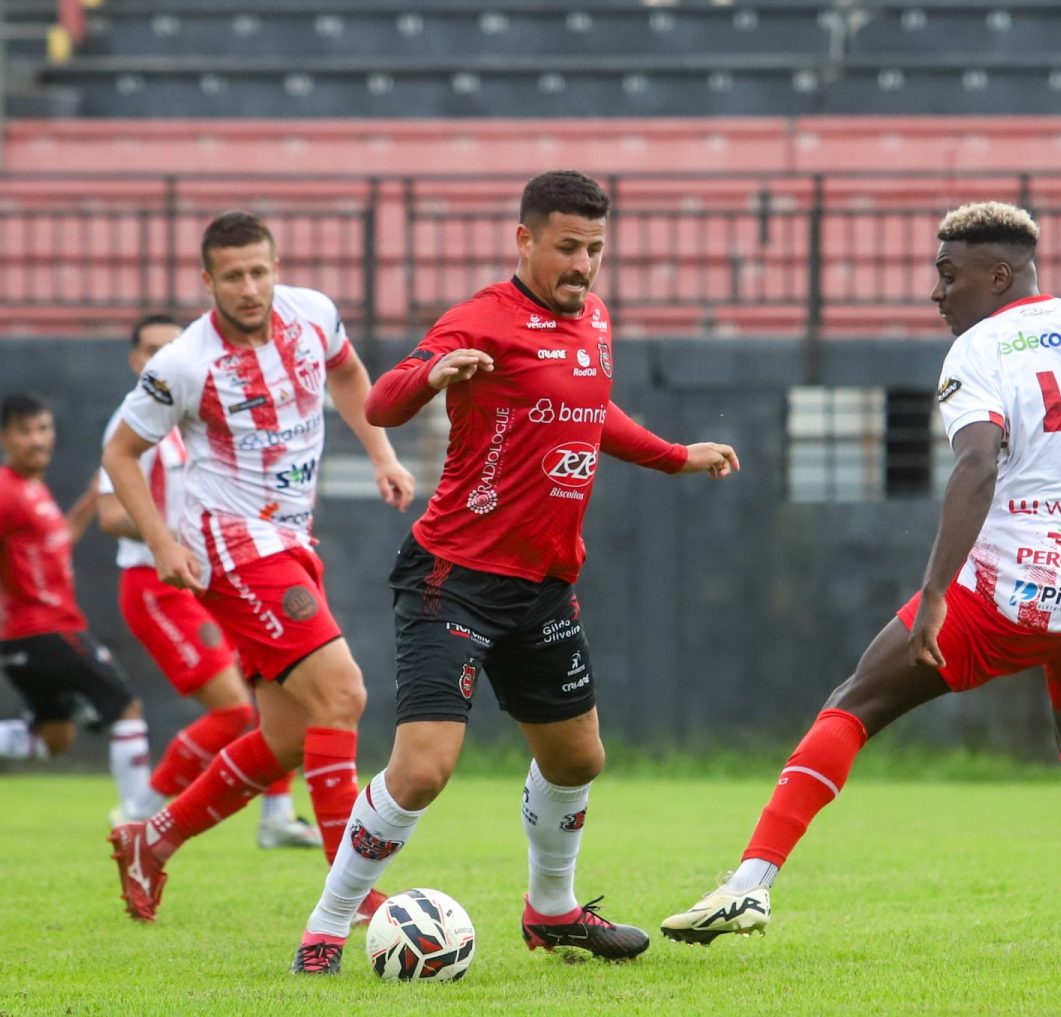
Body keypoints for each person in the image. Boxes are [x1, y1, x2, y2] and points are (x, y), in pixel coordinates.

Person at [660, 202, 1061, 963]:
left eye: (948, 274)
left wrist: (933, 596)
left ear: (1000, 275)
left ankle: (751, 882)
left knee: (852, 703)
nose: (937, 292)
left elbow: (977, 461)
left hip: (1003, 596)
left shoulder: (981, 348)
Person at [287, 170, 740, 975]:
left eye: (596, 249)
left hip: (542, 586)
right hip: (452, 574)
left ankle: (553, 911)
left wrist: (673, 457)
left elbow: (588, 410)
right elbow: (384, 401)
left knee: (577, 759)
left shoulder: (595, 318)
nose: (585, 265)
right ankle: (324, 929)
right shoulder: (481, 320)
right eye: (569, 247)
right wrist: (433, 375)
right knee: (423, 768)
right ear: (524, 240)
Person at [101, 211, 417, 923]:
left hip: (290, 540)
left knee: (287, 736)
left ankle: (152, 839)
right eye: (234, 275)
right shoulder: (183, 362)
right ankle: (353, 890)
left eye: (260, 270)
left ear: (277, 266)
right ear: (207, 280)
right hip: (230, 544)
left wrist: (382, 453)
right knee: (343, 695)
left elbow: (349, 373)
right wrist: (160, 541)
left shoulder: (313, 316)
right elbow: (119, 452)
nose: (250, 287)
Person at [98, 312, 320, 850]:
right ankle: (142, 812)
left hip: (218, 576)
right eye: (151, 349)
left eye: (170, 347)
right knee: (233, 709)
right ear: (135, 361)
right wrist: (174, 534)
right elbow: (109, 514)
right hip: (156, 584)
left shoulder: (205, 420)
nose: (162, 357)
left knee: (283, 680)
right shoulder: (130, 427)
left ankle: (277, 814)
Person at [0, 394, 157, 823]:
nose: (38, 440)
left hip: (20, 643)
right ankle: (138, 820)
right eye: (25, 431)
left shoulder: (32, 490)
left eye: (44, 429)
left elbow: (56, 541)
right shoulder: (4, 491)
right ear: (4, 438)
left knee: (53, 738)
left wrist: (87, 501)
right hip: (46, 631)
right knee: (126, 709)